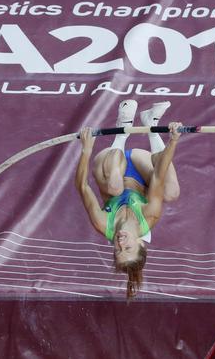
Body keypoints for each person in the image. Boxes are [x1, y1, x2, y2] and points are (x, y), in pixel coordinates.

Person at [75, 100, 182, 298]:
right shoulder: (149, 218)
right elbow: (158, 175)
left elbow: (82, 186)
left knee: (115, 187)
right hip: (139, 166)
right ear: (141, 243)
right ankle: (151, 123)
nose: (120, 242)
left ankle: (122, 129)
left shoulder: (103, 224)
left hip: (109, 164)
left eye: (118, 250)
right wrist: (173, 141)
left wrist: (86, 149)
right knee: (171, 192)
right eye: (128, 248)